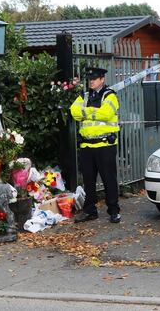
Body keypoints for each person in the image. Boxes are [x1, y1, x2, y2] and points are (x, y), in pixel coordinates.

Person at [70, 67, 122, 223]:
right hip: (87, 146)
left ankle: (114, 211)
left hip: (105, 144)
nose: (91, 81)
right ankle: (90, 211)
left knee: (109, 179)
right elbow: (73, 111)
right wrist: (93, 111)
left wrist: (85, 112)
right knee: (89, 181)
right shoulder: (84, 96)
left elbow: (106, 114)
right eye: (89, 79)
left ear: (102, 79)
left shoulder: (110, 95)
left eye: (94, 79)